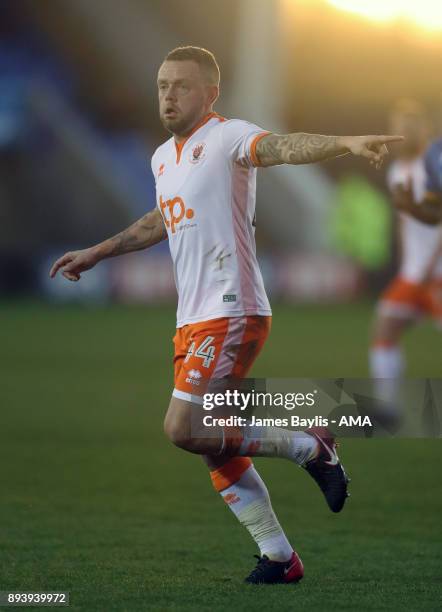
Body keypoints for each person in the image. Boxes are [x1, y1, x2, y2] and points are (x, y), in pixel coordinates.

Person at [50, 46, 402, 584]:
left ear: (210, 93)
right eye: (163, 85)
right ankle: (280, 559)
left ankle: (309, 444)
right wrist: (97, 251)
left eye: (181, 86)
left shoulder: (229, 136)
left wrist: (347, 143)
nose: (168, 95)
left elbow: (282, 147)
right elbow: (159, 221)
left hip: (231, 307)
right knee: (211, 443)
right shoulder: (162, 157)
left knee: (184, 427)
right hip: (190, 318)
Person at [370, 100, 442, 410]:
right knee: (385, 328)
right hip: (413, 273)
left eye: (409, 129)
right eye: (398, 129)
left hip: (436, 272)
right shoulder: (398, 169)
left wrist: (429, 263)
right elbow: (404, 219)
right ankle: (388, 407)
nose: (402, 135)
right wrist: (406, 262)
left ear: (424, 130)